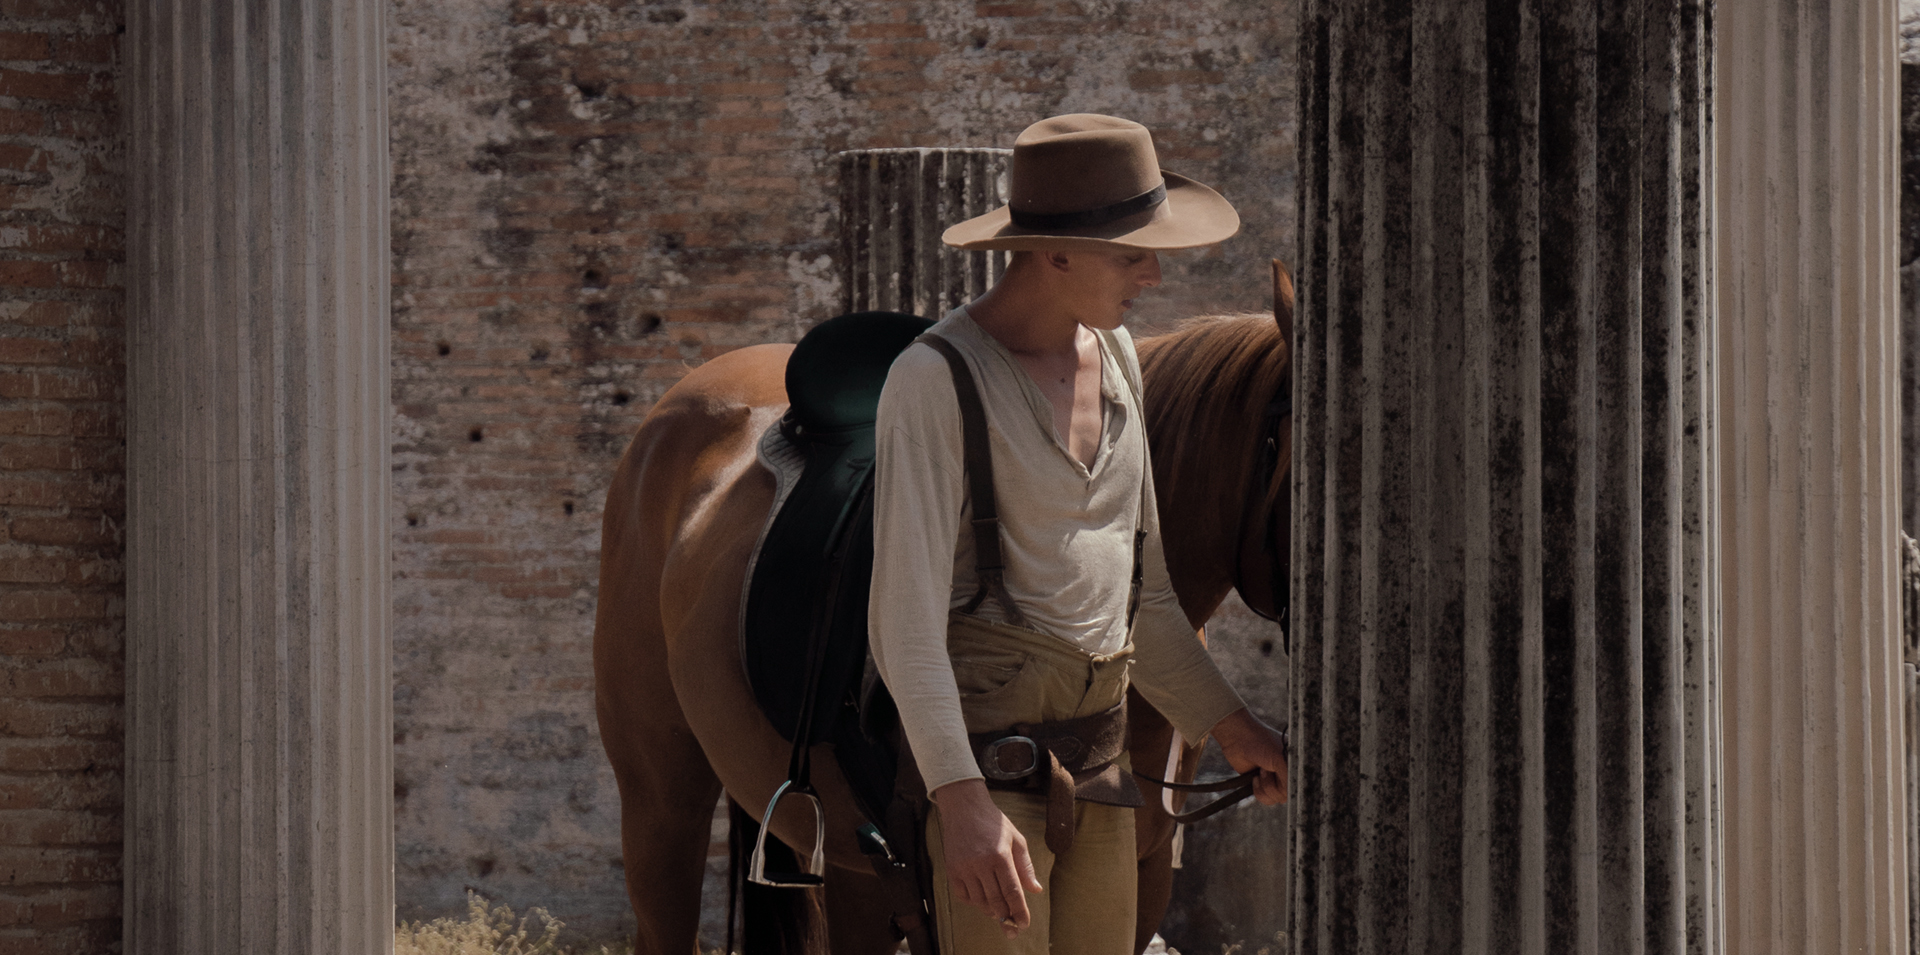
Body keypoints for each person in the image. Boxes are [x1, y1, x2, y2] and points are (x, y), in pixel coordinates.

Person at [867, 113, 1290, 954]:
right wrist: (960, 799)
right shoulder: (934, 379)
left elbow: (1145, 598)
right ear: (1056, 253)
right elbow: (903, 627)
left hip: (1103, 771)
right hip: (990, 774)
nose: (1154, 275)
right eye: (1133, 254)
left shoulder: (1120, 357)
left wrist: (1234, 727)